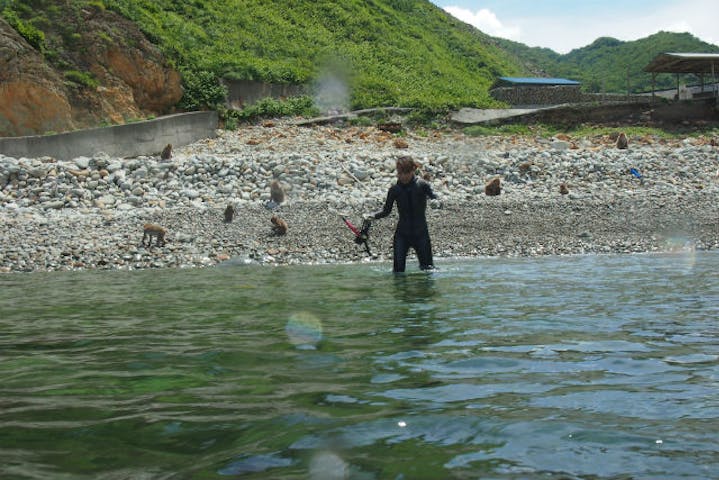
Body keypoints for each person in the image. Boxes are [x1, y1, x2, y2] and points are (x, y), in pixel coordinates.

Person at [368, 156, 438, 273]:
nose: (403, 176)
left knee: (428, 270)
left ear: (413, 171)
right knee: (398, 271)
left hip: (421, 234)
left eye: (406, 173)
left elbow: (434, 198)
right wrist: (372, 216)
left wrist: (437, 202)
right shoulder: (394, 190)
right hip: (402, 235)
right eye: (400, 173)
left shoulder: (422, 185)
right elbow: (386, 211)